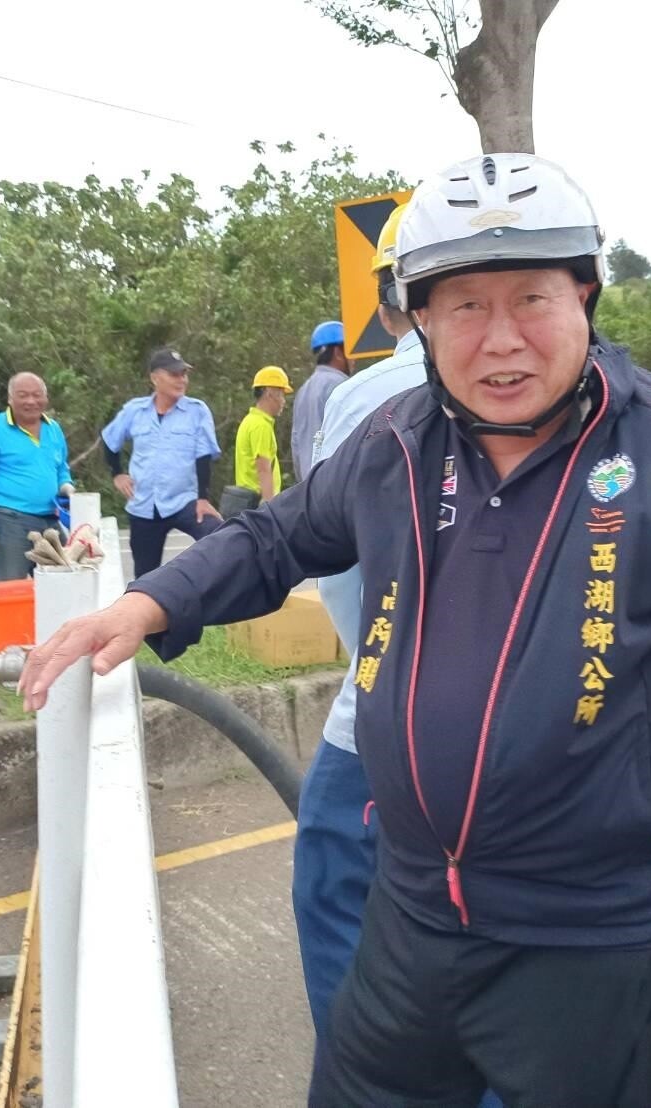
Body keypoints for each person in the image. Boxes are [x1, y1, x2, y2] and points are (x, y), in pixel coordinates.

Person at [19, 152, 651, 1107]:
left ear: (586, 296)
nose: (500, 339)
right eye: (465, 307)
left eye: (531, 300)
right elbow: (276, 537)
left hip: (591, 930)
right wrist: (148, 603)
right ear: (419, 318)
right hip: (414, 908)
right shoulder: (395, 442)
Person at [291, 201, 431, 1043]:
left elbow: (322, 550)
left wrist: (370, 654)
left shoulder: (367, 398)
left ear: (386, 308)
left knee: (343, 903)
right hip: (549, 741)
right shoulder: (624, 401)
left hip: (379, 725)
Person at [101, 346, 222, 578]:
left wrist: (203, 498)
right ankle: (151, 611)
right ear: (155, 378)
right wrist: (117, 474)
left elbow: (203, 455)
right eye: (174, 374)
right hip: (144, 504)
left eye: (184, 374)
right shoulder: (135, 411)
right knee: (145, 577)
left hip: (184, 500)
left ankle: (208, 594)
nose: (181, 380)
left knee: (218, 536)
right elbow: (109, 440)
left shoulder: (197, 411)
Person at [0, 372, 74, 581]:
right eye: (23, 395)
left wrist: (65, 484)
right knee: (10, 586)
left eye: (37, 395)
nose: (31, 401)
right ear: (10, 399)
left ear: (46, 398)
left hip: (50, 521)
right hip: (10, 521)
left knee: (61, 584)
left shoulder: (53, 429)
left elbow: (60, 466)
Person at [221, 366, 292, 519]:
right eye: (281, 395)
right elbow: (263, 468)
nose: (283, 402)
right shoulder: (261, 426)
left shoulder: (249, 421)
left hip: (248, 502)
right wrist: (269, 507)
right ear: (270, 392)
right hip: (258, 504)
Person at [290, 320, 349, 481]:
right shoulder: (341, 386)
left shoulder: (303, 390)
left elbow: (296, 445)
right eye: (349, 351)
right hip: (334, 487)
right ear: (338, 352)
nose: (354, 359)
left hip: (308, 489)